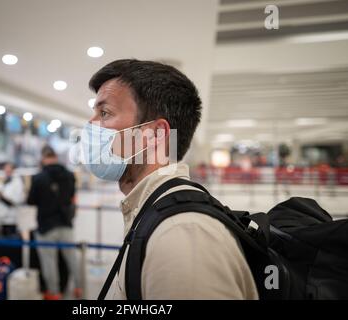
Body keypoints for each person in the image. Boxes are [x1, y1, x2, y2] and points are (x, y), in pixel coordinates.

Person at [82, 59, 258, 299]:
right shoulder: (153, 212)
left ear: (155, 134)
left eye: (104, 113)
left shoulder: (183, 235)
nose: (91, 125)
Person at [27, 146, 82, 300]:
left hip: (46, 226)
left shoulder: (38, 178)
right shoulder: (69, 175)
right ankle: (79, 288)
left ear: (43, 157)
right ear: (56, 156)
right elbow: (72, 197)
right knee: (72, 259)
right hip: (65, 223)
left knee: (49, 262)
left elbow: (31, 200)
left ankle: (54, 292)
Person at [0, 162, 25, 236]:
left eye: (9, 168)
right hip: (1, 217)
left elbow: (17, 200)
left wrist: (1, 196)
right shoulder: (1, 181)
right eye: (5, 168)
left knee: (11, 239)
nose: (7, 170)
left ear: (13, 169)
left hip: (11, 218)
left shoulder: (17, 182)